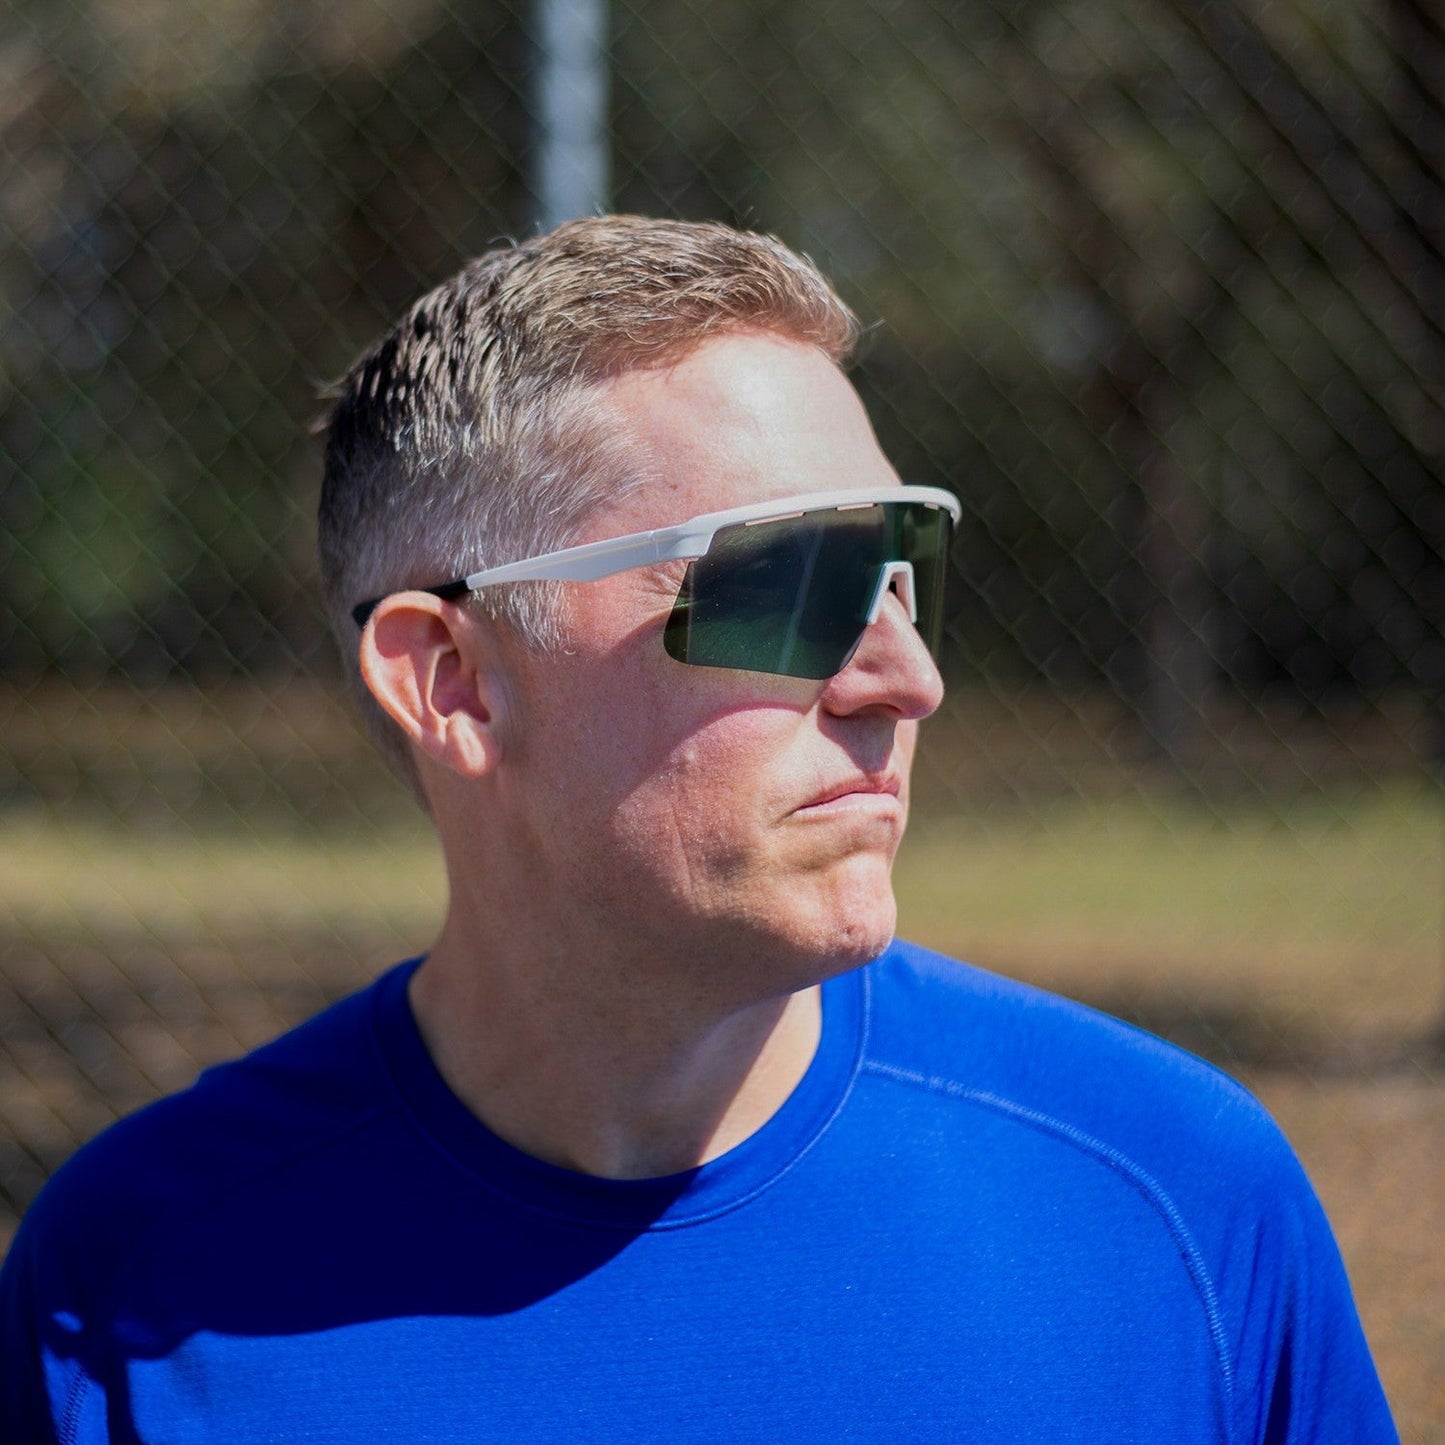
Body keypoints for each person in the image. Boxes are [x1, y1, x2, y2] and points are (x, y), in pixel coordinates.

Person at [0, 216, 1396, 1443]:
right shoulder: (131, 1292)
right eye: (791, 580)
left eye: (902, 570)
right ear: (455, 682)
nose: (906, 678)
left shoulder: (1171, 1208)